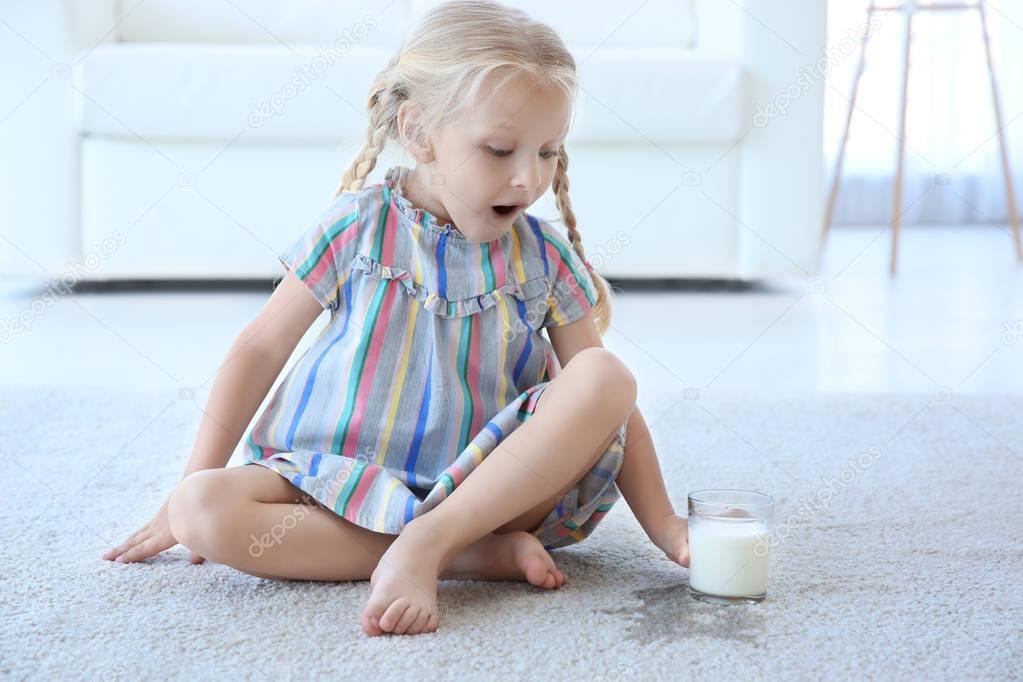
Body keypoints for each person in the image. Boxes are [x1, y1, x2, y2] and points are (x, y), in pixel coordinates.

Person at [102, 0, 690, 637]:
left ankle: (437, 538)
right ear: (418, 133)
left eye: (549, 152)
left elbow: (607, 403)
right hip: (339, 481)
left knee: (604, 373)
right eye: (499, 149)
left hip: (489, 488)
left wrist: (664, 525)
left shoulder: (541, 256)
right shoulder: (359, 228)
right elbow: (259, 350)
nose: (529, 179)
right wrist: (192, 481)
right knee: (201, 510)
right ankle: (461, 556)